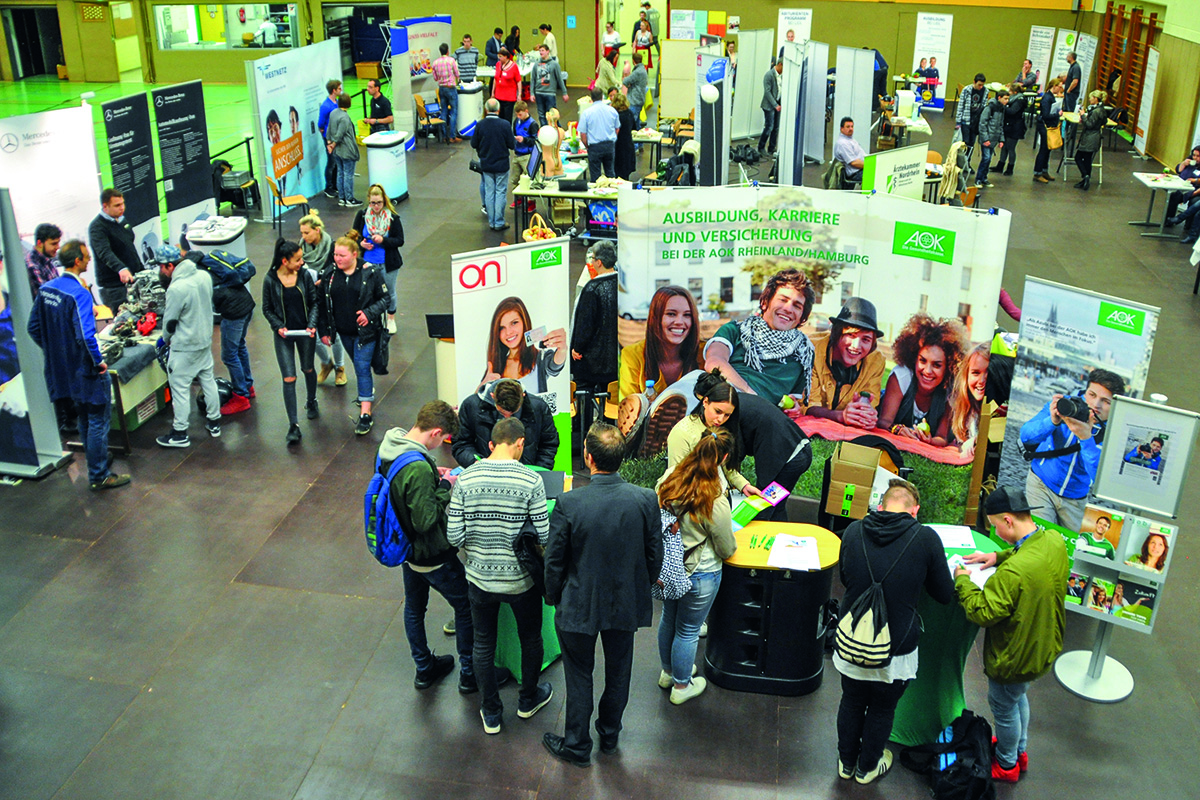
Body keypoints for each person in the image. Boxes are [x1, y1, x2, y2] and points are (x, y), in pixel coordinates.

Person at [541, 423, 662, 767]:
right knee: (619, 668)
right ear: (621, 458)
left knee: (579, 673)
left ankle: (577, 745)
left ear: (588, 458)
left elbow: (554, 559)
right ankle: (609, 734)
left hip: (578, 603)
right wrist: (642, 586)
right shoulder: (644, 498)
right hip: (625, 602)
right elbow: (655, 555)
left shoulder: (569, 502)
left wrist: (553, 596)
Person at [835, 479, 954, 784]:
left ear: (880, 505)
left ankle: (846, 763)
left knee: (850, 700)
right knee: (882, 707)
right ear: (914, 511)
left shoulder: (853, 531)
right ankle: (868, 768)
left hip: (852, 639)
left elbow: (847, 578)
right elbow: (943, 594)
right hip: (896, 647)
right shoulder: (925, 538)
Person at [954, 486, 1069, 783]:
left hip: (1013, 657)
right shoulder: (1053, 540)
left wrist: (963, 581)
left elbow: (982, 612)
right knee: (1018, 699)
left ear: (1008, 520)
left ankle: (1006, 765)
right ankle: (1018, 749)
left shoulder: (1014, 573)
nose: (996, 532)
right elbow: (1027, 549)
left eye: (995, 527)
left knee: (1004, 708)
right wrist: (997, 555)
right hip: (1042, 644)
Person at [446, 416, 553, 735]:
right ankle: (528, 699)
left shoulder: (465, 479)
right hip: (522, 581)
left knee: (482, 643)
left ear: (491, 444)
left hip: (479, 580)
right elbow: (544, 535)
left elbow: (453, 536)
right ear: (520, 444)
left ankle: (490, 712)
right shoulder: (530, 481)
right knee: (530, 638)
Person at [378, 400, 484, 693]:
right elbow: (425, 521)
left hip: (406, 550)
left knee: (414, 608)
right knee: (465, 605)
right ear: (436, 432)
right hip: (431, 553)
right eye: (443, 440)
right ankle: (468, 673)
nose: (442, 446)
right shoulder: (417, 468)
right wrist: (445, 487)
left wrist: (429, 480)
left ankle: (424, 669)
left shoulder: (392, 445)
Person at [26, 240, 130, 490]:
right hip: (84, 371)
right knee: (97, 419)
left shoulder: (47, 289)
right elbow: (85, 335)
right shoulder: (79, 293)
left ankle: (96, 467)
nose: (89, 260)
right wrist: (98, 361)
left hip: (61, 370)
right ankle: (99, 474)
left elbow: (33, 328)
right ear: (76, 261)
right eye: (86, 257)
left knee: (84, 417)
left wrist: (55, 352)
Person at [655, 427, 738, 704]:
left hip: (669, 568)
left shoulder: (669, 479)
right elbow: (726, 548)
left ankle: (668, 672)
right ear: (723, 458)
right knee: (688, 630)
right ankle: (681, 687)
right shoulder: (714, 500)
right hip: (701, 572)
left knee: (669, 619)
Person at [1020, 367, 1124, 531]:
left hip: (1075, 499)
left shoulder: (1114, 431)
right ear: (1085, 391)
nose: (1096, 404)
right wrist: (1052, 422)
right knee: (1039, 539)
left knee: (1067, 551)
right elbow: (1026, 435)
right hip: (1041, 484)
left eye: (1106, 401)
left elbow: (1099, 478)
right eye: (1092, 395)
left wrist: (1086, 439)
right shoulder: (1065, 405)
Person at [704, 268, 816, 403]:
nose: (788, 309)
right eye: (783, 300)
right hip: (722, 397)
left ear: (802, 318)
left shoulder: (803, 352)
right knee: (693, 379)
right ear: (764, 303)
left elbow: (794, 400)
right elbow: (714, 362)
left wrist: (793, 407)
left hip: (763, 414)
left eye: (797, 306)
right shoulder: (735, 330)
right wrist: (749, 393)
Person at [318, 236, 388, 436]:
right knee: (358, 364)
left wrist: (369, 313)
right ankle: (366, 392)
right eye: (335, 255)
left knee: (361, 367)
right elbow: (322, 304)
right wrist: (325, 331)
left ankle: (365, 413)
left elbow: (384, 299)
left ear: (355, 255)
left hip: (366, 333)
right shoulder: (330, 274)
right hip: (343, 331)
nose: (337, 259)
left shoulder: (371, 273)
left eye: (342, 255)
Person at [154, 245, 221, 448]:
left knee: (180, 389)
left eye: (161, 268)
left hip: (184, 347)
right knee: (208, 381)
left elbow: (170, 321)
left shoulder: (176, 288)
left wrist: (164, 339)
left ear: (169, 265)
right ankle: (214, 423)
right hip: (204, 340)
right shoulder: (203, 276)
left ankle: (180, 433)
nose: (161, 272)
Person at [262, 238, 320, 445]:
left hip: (305, 331)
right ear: (284, 261)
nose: (302, 263)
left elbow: (314, 302)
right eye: (298, 259)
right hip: (284, 335)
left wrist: (312, 325)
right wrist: (278, 326)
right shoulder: (270, 280)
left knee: (307, 368)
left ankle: (311, 400)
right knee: (288, 378)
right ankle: (293, 424)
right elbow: (266, 309)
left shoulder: (304, 276)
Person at [664, 370, 758, 497]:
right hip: (693, 498)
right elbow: (676, 477)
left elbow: (727, 467)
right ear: (705, 402)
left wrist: (744, 485)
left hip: (719, 495)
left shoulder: (722, 428)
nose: (720, 419)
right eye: (717, 411)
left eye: (727, 415)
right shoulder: (682, 432)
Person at [877, 313, 966, 446]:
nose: (928, 371)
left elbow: (942, 437)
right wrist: (897, 429)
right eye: (922, 361)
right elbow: (884, 421)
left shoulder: (951, 390)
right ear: (914, 358)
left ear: (949, 367)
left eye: (937, 365)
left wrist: (930, 441)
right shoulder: (902, 376)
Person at [801, 297, 885, 429]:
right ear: (837, 332)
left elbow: (869, 401)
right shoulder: (811, 349)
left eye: (866, 339)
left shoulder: (876, 361)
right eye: (850, 335)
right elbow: (808, 405)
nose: (856, 346)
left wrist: (865, 413)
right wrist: (841, 416)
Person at [196, 241, 256, 416]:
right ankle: (247, 386)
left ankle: (241, 397)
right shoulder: (209, 264)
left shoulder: (197, 275)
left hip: (234, 313)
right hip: (246, 305)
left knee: (229, 355)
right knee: (239, 347)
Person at [618, 285, 702, 402]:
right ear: (655, 318)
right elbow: (628, 409)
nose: (679, 322)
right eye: (671, 314)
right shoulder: (632, 354)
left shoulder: (704, 353)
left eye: (687, 315)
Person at [453, 377, 559, 469]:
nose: (507, 417)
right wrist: (475, 464)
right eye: (502, 412)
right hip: (486, 475)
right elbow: (461, 444)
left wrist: (539, 470)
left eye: (514, 412)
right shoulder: (471, 406)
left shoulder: (538, 407)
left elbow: (549, 444)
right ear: (492, 396)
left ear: (523, 395)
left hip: (528, 474)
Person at [570, 241, 619, 431]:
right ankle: (609, 431)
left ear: (598, 262)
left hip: (592, 364)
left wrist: (577, 349)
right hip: (616, 362)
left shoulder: (592, 289)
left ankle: (584, 429)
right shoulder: (622, 284)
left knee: (584, 393)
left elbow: (585, 326)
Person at [478, 295, 566, 394]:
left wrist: (562, 349)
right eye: (502, 328)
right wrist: (482, 387)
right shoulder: (496, 366)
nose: (508, 332)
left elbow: (555, 367)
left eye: (514, 323)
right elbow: (475, 405)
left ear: (525, 323)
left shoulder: (540, 358)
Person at [298, 210, 346, 386]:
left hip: (329, 296)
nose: (303, 236)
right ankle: (327, 363)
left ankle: (340, 368)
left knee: (334, 334)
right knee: (312, 335)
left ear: (317, 230)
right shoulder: (301, 248)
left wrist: (324, 279)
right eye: (302, 232)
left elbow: (339, 269)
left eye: (306, 232)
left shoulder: (332, 247)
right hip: (310, 297)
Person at [352, 184, 404, 334]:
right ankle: (372, 318)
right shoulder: (362, 216)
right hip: (367, 262)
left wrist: (383, 240)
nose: (376, 206)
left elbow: (399, 240)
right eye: (373, 203)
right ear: (369, 201)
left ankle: (391, 318)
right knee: (368, 292)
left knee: (389, 292)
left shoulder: (393, 218)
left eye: (379, 203)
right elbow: (353, 237)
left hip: (388, 263)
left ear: (384, 201)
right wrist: (360, 244)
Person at [89, 188, 141, 311]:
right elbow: (104, 252)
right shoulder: (97, 227)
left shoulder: (122, 220)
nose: (122, 207)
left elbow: (129, 247)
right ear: (105, 206)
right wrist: (121, 268)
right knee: (124, 322)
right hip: (114, 287)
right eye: (117, 205)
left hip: (133, 280)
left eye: (123, 203)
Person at [471, 98, 516, 232]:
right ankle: (499, 222)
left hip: (486, 164)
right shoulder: (505, 124)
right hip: (502, 164)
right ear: (498, 109)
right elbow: (512, 145)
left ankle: (492, 222)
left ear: (486, 109)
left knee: (489, 192)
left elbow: (473, 144)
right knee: (500, 192)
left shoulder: (480, 125)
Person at [948, 342, 991, 455]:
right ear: (966, 376)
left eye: (989, 373)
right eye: (976, 373)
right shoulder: (965, 408)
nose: (982, 381)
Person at [578, 87, 621, 182]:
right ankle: (612, 194)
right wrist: (613, 139)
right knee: (610, 173)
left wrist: (587, 146)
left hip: (594, 147)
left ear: (591, 98)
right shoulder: (612, 111)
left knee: (595, 177)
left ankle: (596, 195)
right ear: (602, 97)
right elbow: (617, 128)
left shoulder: (586, 113)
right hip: (609, 145)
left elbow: (583, 134)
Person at [325, 93, 360, 207]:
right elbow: (340, 134)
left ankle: (342, 198)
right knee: (348, 174)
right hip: (347, 150)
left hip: (337, 152)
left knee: (340, 173)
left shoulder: (333, 113)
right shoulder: (345, 117)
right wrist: (333, 143)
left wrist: (329, 144)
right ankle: (349, 198)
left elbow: (329, 129)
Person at [975, 88, 1008, 188]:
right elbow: (982, 124)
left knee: (988, 160)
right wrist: (985, 139)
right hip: (987, 139)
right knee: (986, 158)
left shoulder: (1002, 109)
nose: (1007, 101)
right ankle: (978, 179)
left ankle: (984, 178)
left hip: (994, 139)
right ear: (999, 98)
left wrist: (1001, 139)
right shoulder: (989, 108)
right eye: (1005, 98)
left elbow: (1001, 125)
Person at [1032, 78, 1064, 183]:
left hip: (1048, 126)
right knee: (1044, 149)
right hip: (1045, 126)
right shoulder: (1047, 98)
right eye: (1059, 86)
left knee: (1048, 149)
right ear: (1054, 86)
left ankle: (1044, 170)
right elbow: (1045, 115)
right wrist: (1057, 114)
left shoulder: (1050, 96)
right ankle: (1037, 173)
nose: (1061, 88)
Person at [1074, 90, 1106, 191]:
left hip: (1089, 138)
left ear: (1096, 99)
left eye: (1091, 97)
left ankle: (1085, 176)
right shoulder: (1101, 109)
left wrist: (1083, 116)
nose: (1089, 99)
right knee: (1087, 160)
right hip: (1095, 137)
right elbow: (1103, 121)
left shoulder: (1096, 111)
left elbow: (1089, 125)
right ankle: (1085, 179)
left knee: (1078, 157)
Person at [530, 45, 569, 128]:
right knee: (541, 114)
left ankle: (556, 130)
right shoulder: (536, 64)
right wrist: (532, 93)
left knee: (552, 114)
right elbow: (533, 79)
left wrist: (564, 92)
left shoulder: (554, 64)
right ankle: (544, 131)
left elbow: (559, 79)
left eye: (543, 50)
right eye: (540, 51)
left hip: (550, 93)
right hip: (539, 92)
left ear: (548, 51)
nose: (541, 52)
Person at [317, 79, 343, 199]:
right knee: (331, 162)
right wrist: (327, 135)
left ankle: (335, 184)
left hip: (336, 136)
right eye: (339, 89)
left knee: (336, 161)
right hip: (329, 138)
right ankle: (329, 187)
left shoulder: (336, 102)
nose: (341, 90)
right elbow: (321, 123)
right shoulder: (326, 106)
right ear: (334, 90)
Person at [994, 83, 1026, 177]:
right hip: (1009, 125)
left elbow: (1012, 112)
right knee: (1004, 146)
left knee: (1011, 148)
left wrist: (1002, 105)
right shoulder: (1014, 99)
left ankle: (1010, 168)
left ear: (1015, 92)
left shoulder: (1019, 101)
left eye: (1010, 92)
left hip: (1015, 127)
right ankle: (1000, 165)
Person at [955, 74, 988, 163]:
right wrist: (958, 121)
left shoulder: (985, 91)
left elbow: (984, 106)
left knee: (971, 144)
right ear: (974, 82)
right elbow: (960, 106)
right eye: (979, 85)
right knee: (964, 143)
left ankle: (967, 163)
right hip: (965, 120)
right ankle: (960, 162)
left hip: (976, 122)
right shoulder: (966, 90)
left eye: (982, 85)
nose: (981, 87)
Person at [431, 44, 461, 143]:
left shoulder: (435, 63)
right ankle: (452, 136)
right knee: (454, 111)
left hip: (441, 88)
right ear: (448, 51)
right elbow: (457, 74)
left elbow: (435, 78)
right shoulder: (451, 60)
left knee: (443, 111)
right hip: (450, 88)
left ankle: (444, 136)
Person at [510, 101, 538, 194]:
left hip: (527, 156)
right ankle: (518, 199)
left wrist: (524, 140)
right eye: (517, 115)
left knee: (528, 180)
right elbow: (513, 133)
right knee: (515, 179)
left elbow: (535, 141)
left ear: (526, 111)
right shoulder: (516, 121)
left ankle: (530, 202)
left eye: (520, 115)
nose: (518, 117)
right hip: (517, 154)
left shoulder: (533, 124)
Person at [25, 223, 60, 297]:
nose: (58, 247)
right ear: (40, 243)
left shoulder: (48, 260)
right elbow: (47, 297)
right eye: (54, 244)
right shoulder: (32, 265)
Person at [759, 60, 783, 156]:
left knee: (775, 128)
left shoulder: (781, 76)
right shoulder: (769, 75)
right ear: (780, 65)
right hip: (769, 106)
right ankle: (761, 147)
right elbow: (767, 92)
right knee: (769, 127)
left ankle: (771, 148)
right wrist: (775, 105)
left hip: (777, 104)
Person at [834, 117, 867, 185]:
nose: (851, 129)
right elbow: (854, 163)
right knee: (878, 174)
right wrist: (870, 165)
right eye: (848, 127)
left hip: (860, 168)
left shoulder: (850, 140)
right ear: (841, 129)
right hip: (855, 173)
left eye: (852, 126)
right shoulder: (843, 144)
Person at [611, 94, 637, 180]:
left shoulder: (615, 115)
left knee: (617, 173)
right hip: (628, 145)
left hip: (617, 146)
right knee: (626, 174)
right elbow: (634, 127)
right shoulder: (629, 113)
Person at [622, 52, 648, 123]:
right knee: (636, 122)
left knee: (631, 122)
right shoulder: (643, 70)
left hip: (635, 100)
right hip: (640, 99)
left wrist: (625, 77)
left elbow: (626, 81)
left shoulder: (637, 72)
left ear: (633, 61)